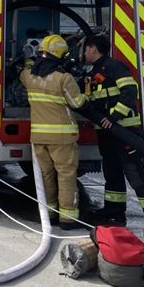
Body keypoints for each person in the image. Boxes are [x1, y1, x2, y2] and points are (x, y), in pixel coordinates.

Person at [83, 35, 144, 236]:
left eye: (86, 49)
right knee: (112, 174)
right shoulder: (94, 73)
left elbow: (130, 91)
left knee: (135, 173)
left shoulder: (114, 67)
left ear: (93, 49)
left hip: (124, 132)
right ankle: (114, 213)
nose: (84, 53)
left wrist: (114, 117)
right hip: (107, 134)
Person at [20, 34, 87, 229]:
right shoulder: (64, 79)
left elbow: (22, 71)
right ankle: (68, 217)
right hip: (63, 137)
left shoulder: (29, 76)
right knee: (66, 175)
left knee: (46, 175)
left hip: (39, 138)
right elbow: (77, 103)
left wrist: (28, 61)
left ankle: (50, 212)